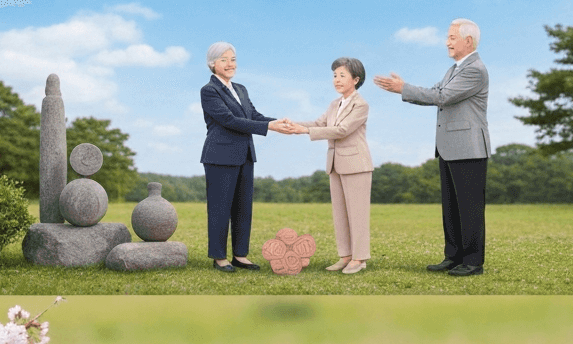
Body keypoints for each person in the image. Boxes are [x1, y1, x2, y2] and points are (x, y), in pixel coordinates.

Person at [374, 19, 489, 276]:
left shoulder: (475, 70)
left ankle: (472, 262)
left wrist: (403, 88)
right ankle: (453, 256)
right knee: (451, 206)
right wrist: (404, 90)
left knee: (469, 208)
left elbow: (442, 97)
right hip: (449, 147)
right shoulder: (453, 70)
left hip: (469, 148)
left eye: (451, 37)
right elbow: (433, 91)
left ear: (467, 41)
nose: (447, 42)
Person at [200, 42, 293, 273]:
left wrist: (278, 123)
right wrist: (269, 126)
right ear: (213, 64)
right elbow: (229, 120)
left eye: (233, 59)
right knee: (220, 209)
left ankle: (240, 255)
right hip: (220, 155)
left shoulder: (240, 89)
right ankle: (219, 258)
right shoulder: (209, 91)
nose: (230, 64)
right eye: (224, 60)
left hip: (245, 155)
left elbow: (253, 115)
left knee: (243, 208)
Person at [282, 57, 373, 274]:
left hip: (356, 164)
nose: (337, 80)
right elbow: (319, 124)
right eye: (334, 75)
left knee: (357, 215)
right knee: (340, 214)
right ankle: (345, 256)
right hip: (335, 164)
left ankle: (359, 259)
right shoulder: (334, 104)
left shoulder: (361, 105)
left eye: (342, 75)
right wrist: (295, 125)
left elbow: (342, 130)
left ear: (356, 79)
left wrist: (305, 131)